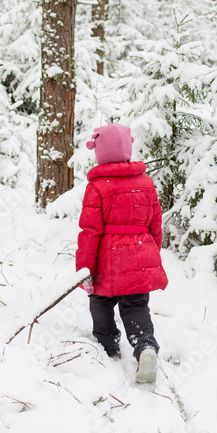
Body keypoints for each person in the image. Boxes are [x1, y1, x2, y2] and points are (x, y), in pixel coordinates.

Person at [75, 123, 169, 384]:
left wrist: (86, 269)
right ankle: (145, 346)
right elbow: (155, 224)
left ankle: (108, 347)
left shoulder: (97, 187)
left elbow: (90, 231)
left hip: (108, 258)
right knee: (136, 305)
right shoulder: (145, 182)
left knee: (100, 302)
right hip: (140, 254)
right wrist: (151, 253)